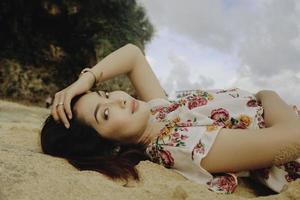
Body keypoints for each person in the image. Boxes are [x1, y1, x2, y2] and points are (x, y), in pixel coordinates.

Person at [40, 43, 300, 194]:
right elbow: (293, 140)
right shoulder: (177, 144)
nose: (117, 99)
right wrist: (268, 95)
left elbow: (132, 55)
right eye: (105, 113)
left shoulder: (158, 114)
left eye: (105, 93)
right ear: (111, 146)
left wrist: (85, 80)